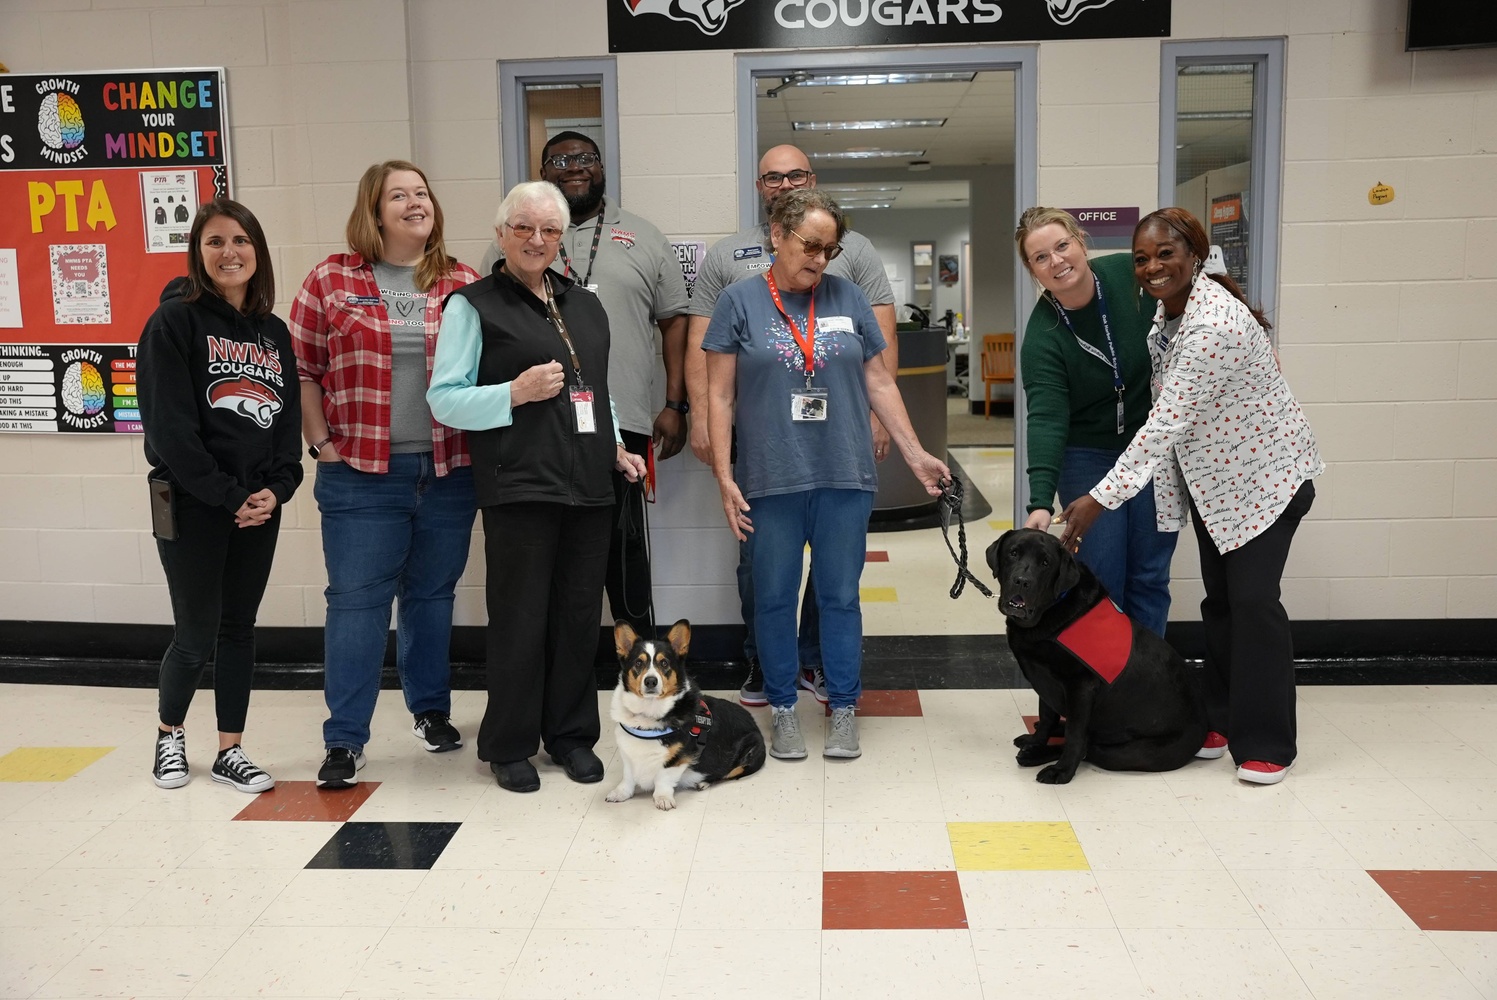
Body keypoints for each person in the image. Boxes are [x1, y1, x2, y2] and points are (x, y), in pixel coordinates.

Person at [1058, 207, 1323, 786]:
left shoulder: (1212, 324)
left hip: (1267, 483)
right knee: (1222, 605)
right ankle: (1221, 721)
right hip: (1218, 487)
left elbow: (1165, 425)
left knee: (1254, 607)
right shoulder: (1171, 312)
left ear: (1195, 256)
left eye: (1166, 254)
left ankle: (1268, 743)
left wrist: (1096, 500)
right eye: (1142, 259)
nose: (1153, 267)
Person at [703, 188, 948, 761]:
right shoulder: (738, 302)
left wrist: (915, 453)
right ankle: (784, 710)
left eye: (829, 250)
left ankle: (842, 708)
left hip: (844, 474)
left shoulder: (849, 297)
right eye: (810, 246)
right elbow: (718, 396)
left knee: (839, 598)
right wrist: (723, 475)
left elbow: (880, 382)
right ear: (778, 236)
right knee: (774, 598)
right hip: (770, 479)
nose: (819, 260)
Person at [428, 180, 648, 793]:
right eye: (523, 227)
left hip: (589, 486)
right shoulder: (472, 306)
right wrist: (512, 394)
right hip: (520, 486)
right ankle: (509, 744)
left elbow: (594, 390)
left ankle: (572, 737)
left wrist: (617, 449)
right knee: (521, 620)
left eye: (549, 230)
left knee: (579, 619)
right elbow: (443, 400)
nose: (536, 239)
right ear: (501, 233)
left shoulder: (584, 304)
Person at [686, 143, 900, 708]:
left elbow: (879, 361)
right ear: (772, 221)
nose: (821, 257)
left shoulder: (851, 269)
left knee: (837, 589)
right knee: (767, 582)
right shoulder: (732, 270)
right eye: (773, 177)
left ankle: (823, 669)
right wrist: (708, 430)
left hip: (838, 455)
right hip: (770, 459)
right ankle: (771, 672)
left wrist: (888, 425)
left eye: (797, 174)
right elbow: (710, 366)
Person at [290, 161, 481, 789]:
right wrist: (320, 443)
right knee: (357, 604)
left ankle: (430, 712)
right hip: (362, 474)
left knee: (431, 597)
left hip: (449, 469)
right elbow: (302, 370)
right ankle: (345, 738)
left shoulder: (462, 281)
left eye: (422, 192)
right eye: (398, 195)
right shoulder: (331, 279)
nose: (414, 202)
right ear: (374, 211)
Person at [482, 131, 690, 637]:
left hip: (624, 429)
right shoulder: (513, 240)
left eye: (585, 158)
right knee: (550, 561)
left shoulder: (643, 235)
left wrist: (674, 403)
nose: (573, 167)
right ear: (542, 170)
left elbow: (675, 321)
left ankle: (640, 665)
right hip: (538, 433)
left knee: (625, 556)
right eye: (559, 159)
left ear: (601, 167)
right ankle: (557, 670)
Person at [137, 198, 303, 794]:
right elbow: (170, 432)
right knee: (196, 629)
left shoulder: (273, 333)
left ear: (257, 252)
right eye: (215, 242)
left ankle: (231, 748)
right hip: (191, 503)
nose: (229, 252)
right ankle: (169, 734)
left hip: (257, 507)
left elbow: (286, 430)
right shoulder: (172, 323)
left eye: (240, 241)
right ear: (197, 253)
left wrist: (276, 491)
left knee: (239, 627)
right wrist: (229, 495)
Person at [1015, 206, 1175, 637]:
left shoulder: (1130, 276)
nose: (1057, 261)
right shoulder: (1043, 336)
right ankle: (1103, 689)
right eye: (1040, 257)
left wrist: (1248, 333)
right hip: (1087, 456)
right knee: (1100, 581)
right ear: (1033, 271)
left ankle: (1146, 688)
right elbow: (1047, 417)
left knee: (1150, 576)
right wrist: (1040, 501)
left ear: (1081, 242)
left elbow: (1196, 295)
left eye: (1062, 246)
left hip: (1149, 449)